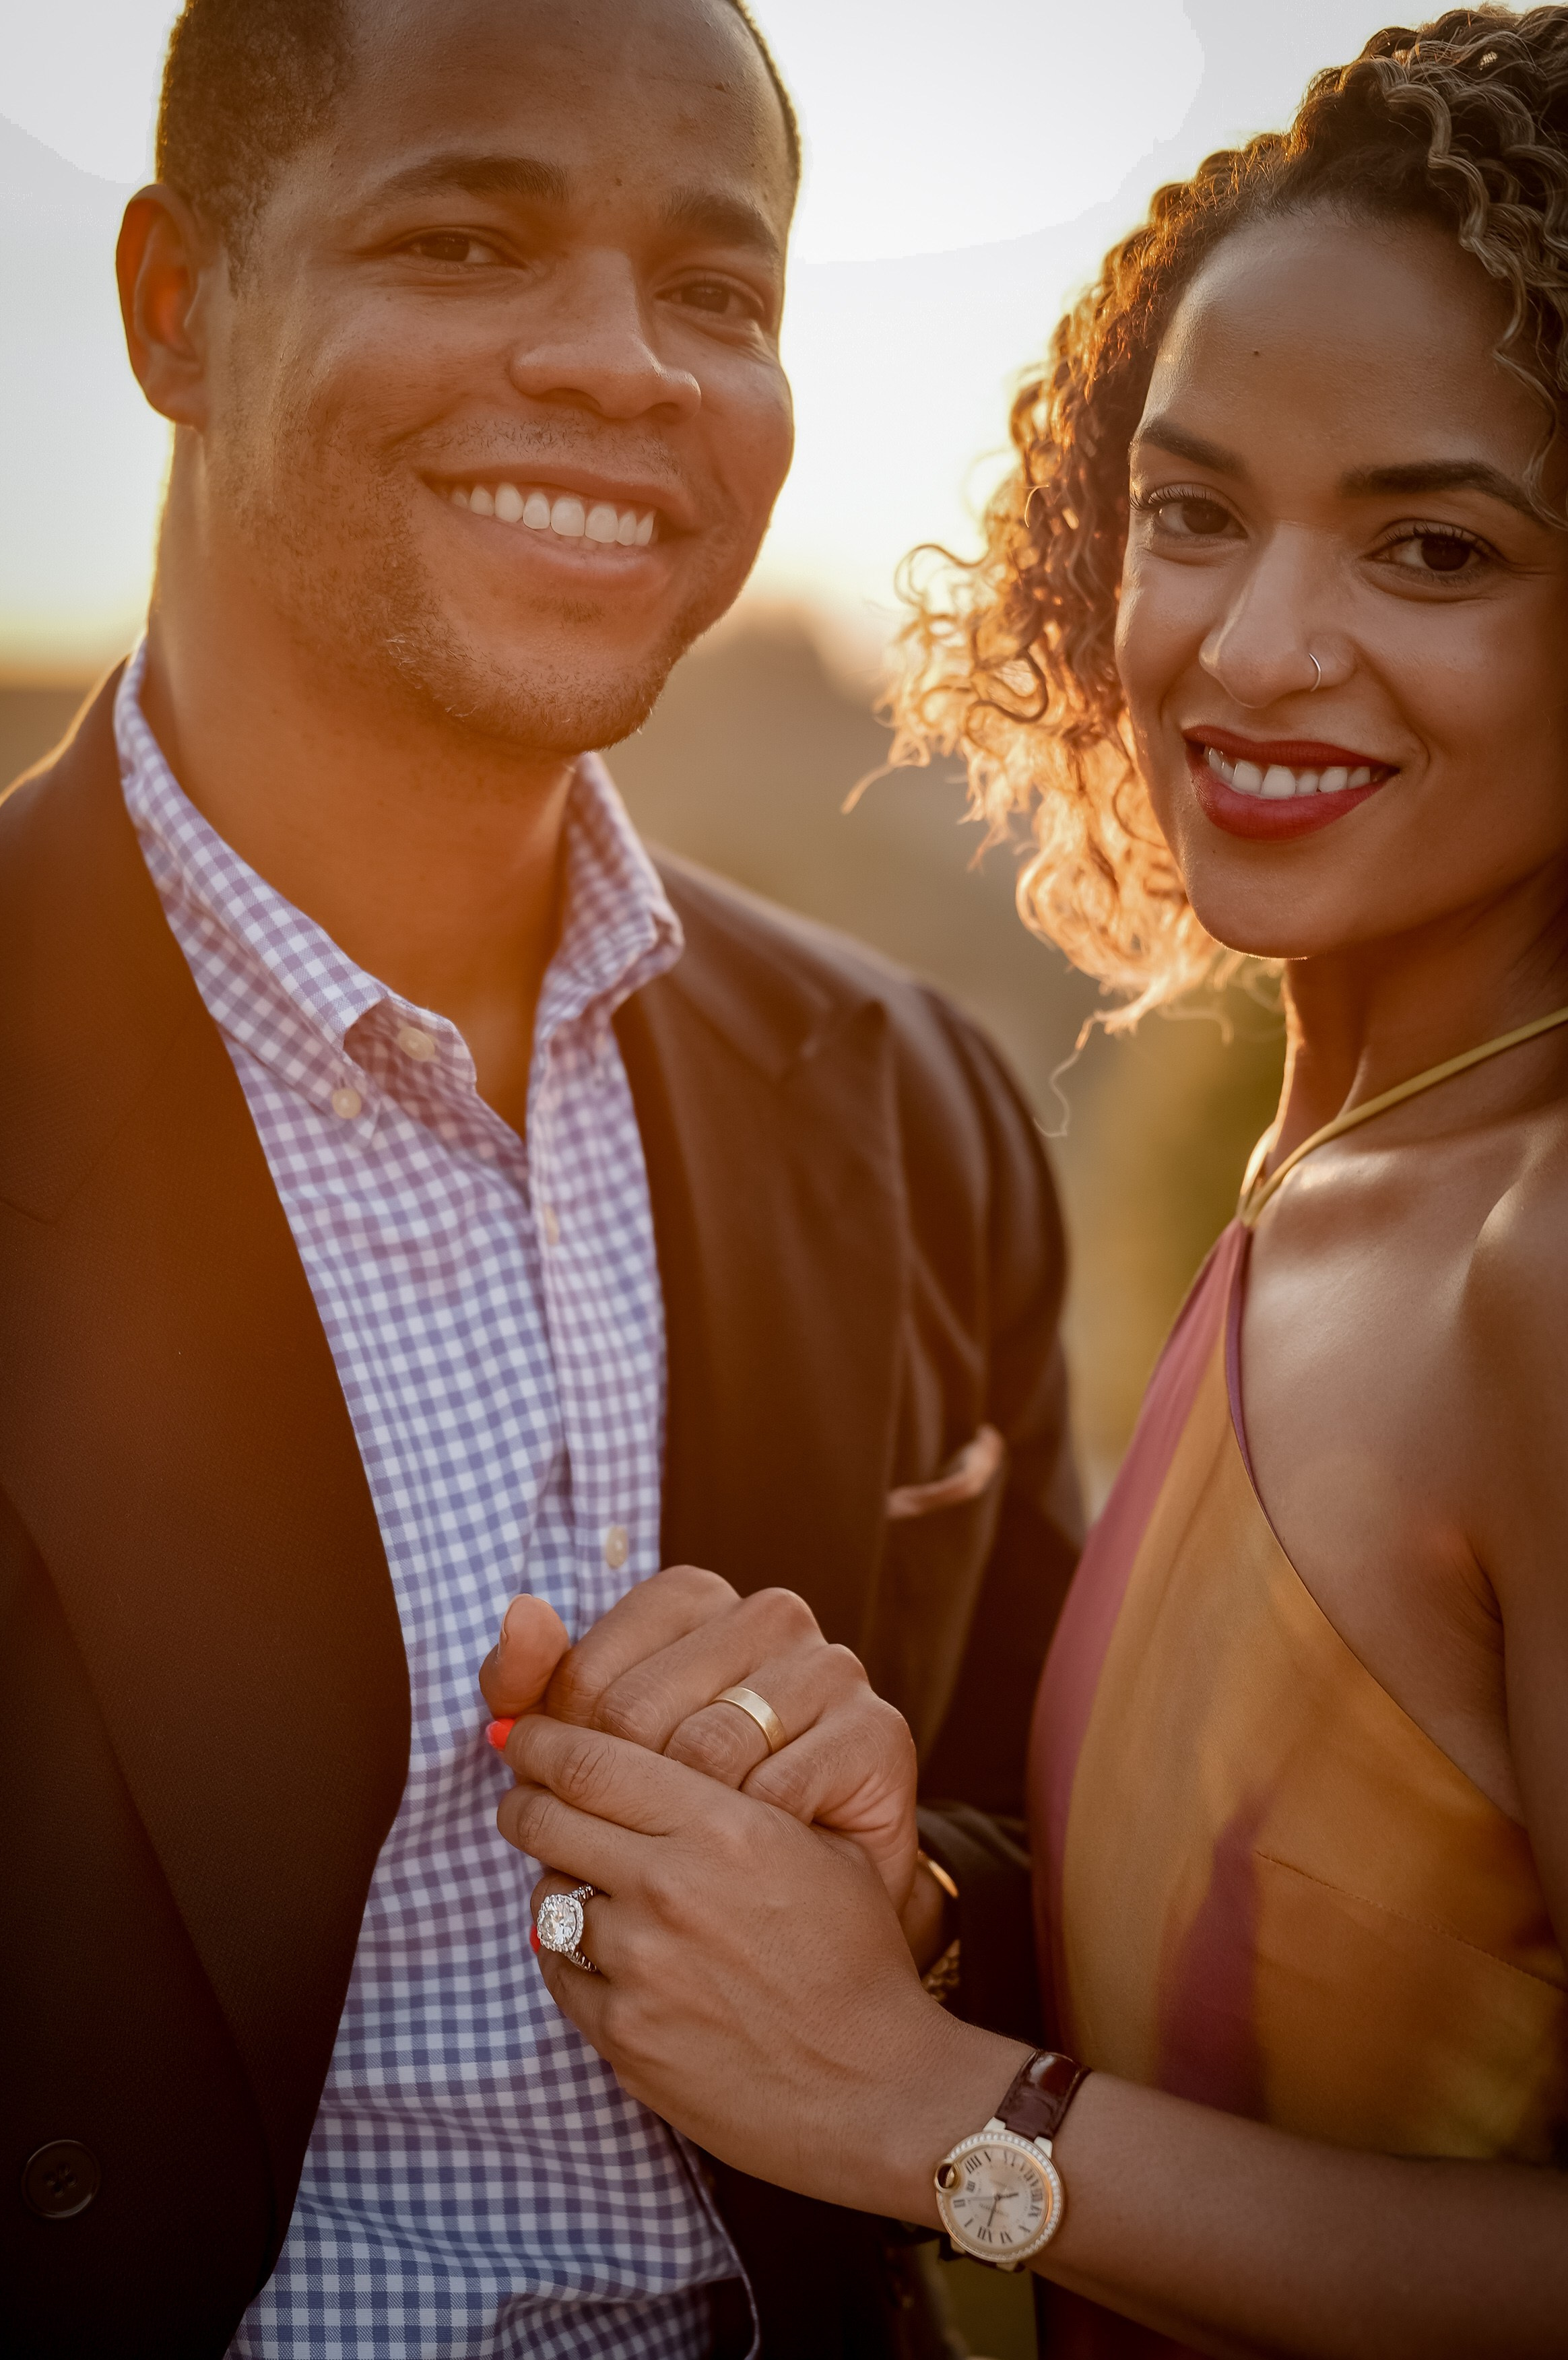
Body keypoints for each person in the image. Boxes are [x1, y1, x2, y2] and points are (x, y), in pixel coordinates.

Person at [0, 3, 1081, 2355]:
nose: (622, 369)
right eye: (470, 236)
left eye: (719, 291)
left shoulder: (916, 1100)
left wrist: (901, 1895)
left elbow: (1044, 1830)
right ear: (177, 307)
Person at [492, 11, 1568, 2355]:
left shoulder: (1542, 1258)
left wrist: (921, 2113)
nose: (1251, 643)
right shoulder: (1353, 1156)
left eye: (1435, 542)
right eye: (1193, 512)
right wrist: (905, 1907)